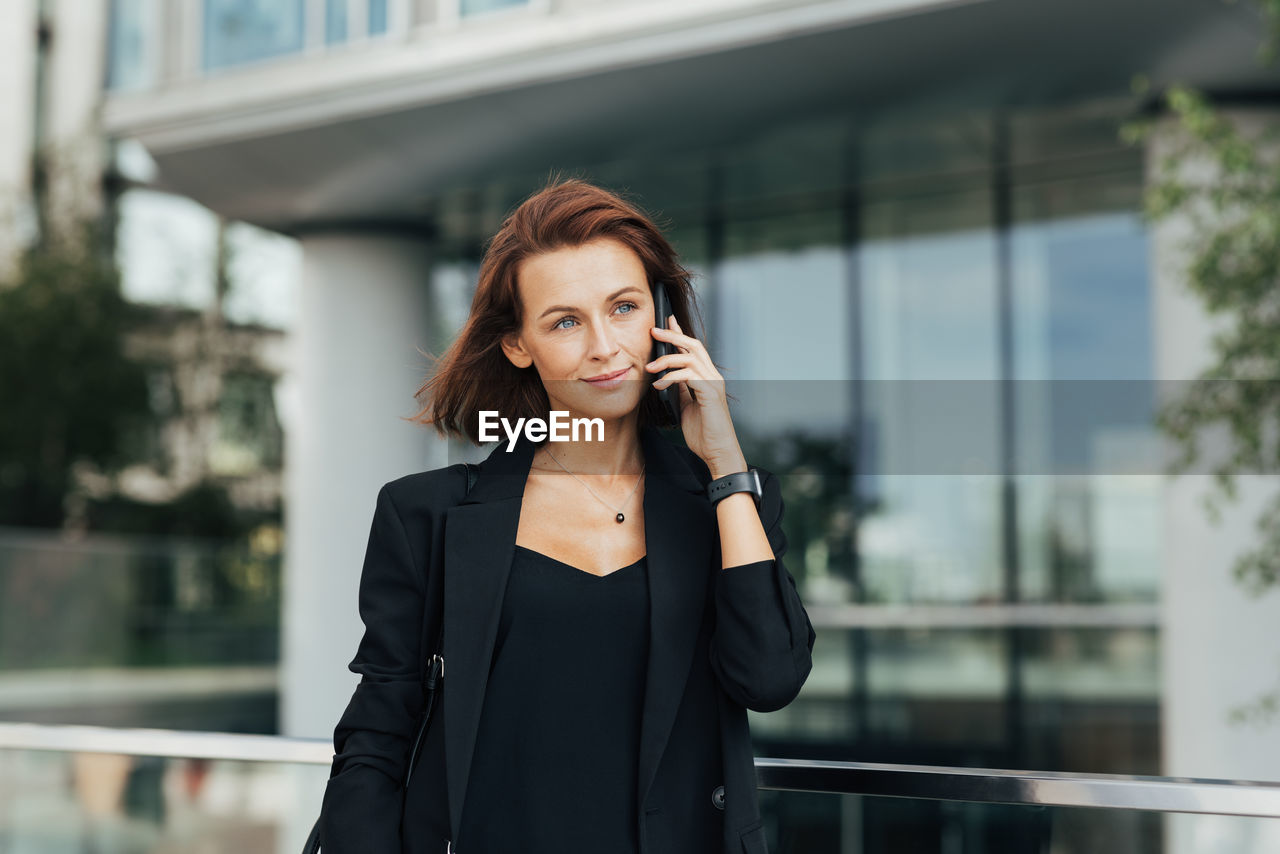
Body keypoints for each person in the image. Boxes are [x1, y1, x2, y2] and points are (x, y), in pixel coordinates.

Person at [318, 177, 816, 854]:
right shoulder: (425, 515)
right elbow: (378, 733)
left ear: (660, 317)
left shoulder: (730, 507)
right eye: (565, 321)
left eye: (623, 307)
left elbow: (769, 679)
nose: (605, 347)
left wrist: (725, 467)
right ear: (520, 345)